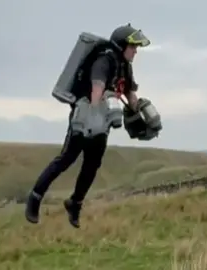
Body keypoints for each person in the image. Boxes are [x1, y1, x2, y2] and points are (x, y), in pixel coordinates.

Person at [25, 24, 151, 228]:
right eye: (133, 46)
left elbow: (128, 92)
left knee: (92, 165)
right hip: (84, 117)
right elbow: (97, 88)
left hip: (103, 121)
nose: (136, 51)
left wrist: (141, 111)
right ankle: (34, 198)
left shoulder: (124, 65)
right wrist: (94, 118)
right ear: (122, 45)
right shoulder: (104, 59)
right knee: (66, 159)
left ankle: (75, 203)